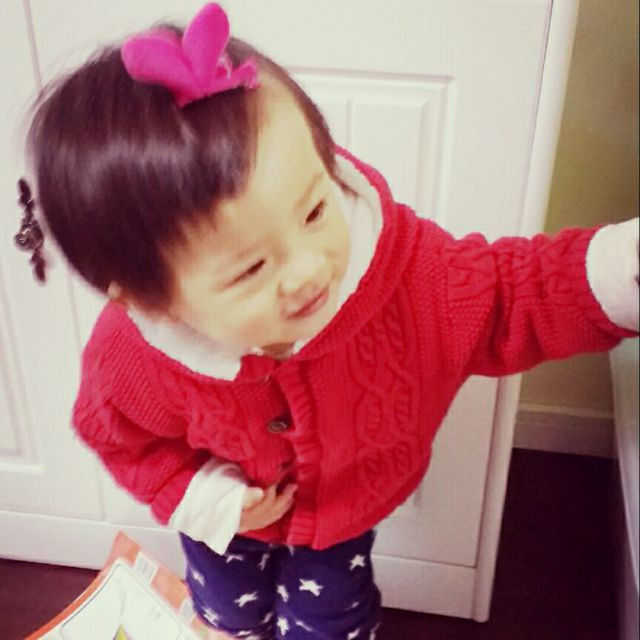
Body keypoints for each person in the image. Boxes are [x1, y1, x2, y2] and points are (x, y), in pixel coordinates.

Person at [15, 4, 638, 639]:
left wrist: (622, 271)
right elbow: (121, 436)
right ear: (154, 304)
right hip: (223, 526)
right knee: (227, 620)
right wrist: (206, 496)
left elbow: (513, 292)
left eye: (315, 211)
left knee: (332, 621)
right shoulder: (135, 356)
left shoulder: (409, 275)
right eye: (250, 268)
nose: (310, 270)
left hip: (339, 521)